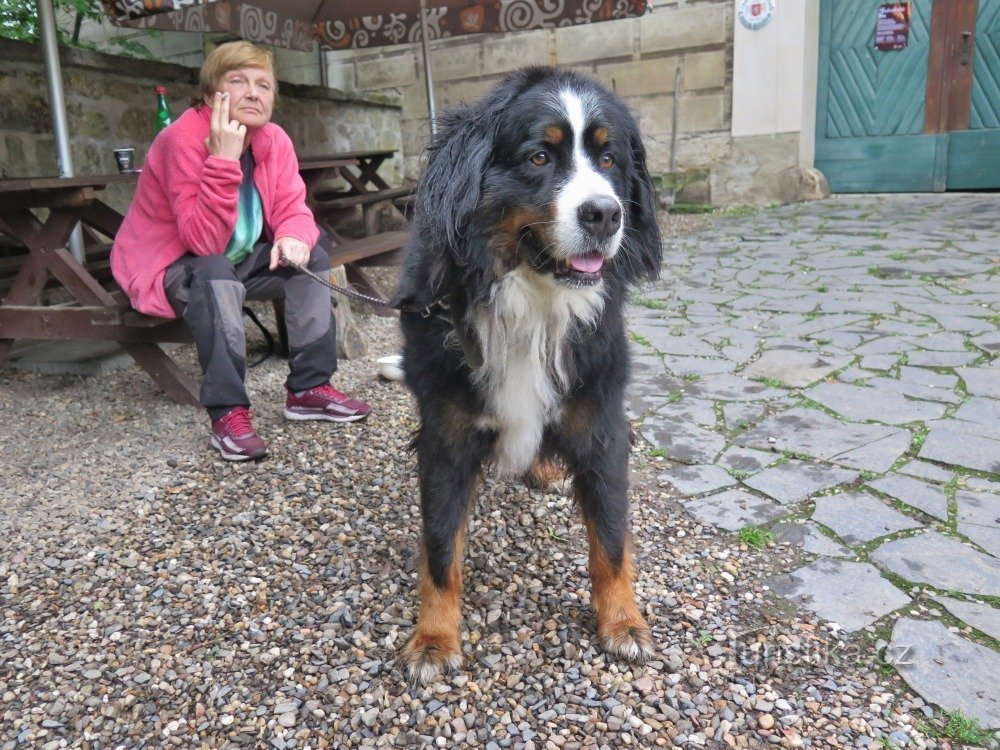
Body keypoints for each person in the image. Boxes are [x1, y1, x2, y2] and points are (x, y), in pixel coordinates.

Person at [111, 41, 370, 461]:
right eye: (238, 81)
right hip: (171, 265)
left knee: (313, 252)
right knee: (214, 270)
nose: (253, 92)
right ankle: (228, 412)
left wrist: (292, 236)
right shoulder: (181, 139)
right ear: (214, 94)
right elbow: (203, 243)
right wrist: (224, 161)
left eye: (263, 85)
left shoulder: (274, 140)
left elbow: (294, 208)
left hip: (236, 260)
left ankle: (309, 388)